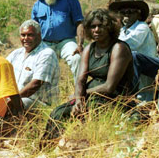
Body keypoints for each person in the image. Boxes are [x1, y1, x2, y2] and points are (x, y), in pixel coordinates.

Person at [40, 9, 135, 143]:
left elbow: (109, 87)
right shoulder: (90, 48)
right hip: (89, 95)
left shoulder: (118, 48)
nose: (96, 30)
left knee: (90, 111)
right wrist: (78, 99)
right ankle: (46, 147)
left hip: (115, 98)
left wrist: (82, 95)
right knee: (58, 112)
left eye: (101, 26)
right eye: (93, 26)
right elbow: (81, 79)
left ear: (109, 27)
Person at [29, 0, 84, 82]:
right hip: (45, 43)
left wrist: (80, 44)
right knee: (36, 66)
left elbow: (79, 22)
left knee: (77, 59)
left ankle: (80, 94)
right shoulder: (37, 5)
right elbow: (33, 30)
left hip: (66, 42)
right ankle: (45, 97)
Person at [109, 0, 157, 101]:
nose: (126, 15)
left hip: (145, 69)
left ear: (137, 13)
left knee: (143, 97)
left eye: (130, 12)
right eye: (123, 12)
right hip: (132, 69)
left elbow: (129, 44)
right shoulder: (123, 30)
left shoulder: (142, 27)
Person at [6, 20, 60, 112]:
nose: (26, 38)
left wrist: (13, 99)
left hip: (40, 104)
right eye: (23, 35)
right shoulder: (16, 53)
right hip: (15, 98)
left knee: (22, 102)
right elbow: (0, 72)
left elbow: (35, 84)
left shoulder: (46, 54)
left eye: (30, 35)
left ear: (39, 35)